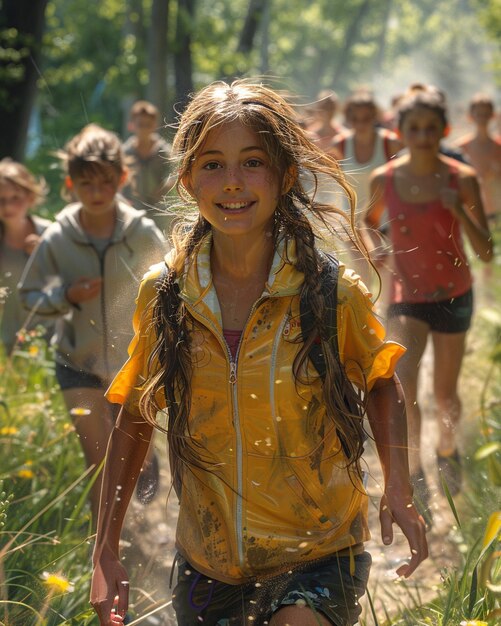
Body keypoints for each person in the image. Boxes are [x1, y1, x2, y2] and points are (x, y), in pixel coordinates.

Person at [90, 80, 428, 626]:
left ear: (285, 174)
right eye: (213, 165)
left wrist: (399, 485)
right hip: (209, 559)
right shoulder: (168, 296)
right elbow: (133, 414)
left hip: (318, 549)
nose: (233, 183)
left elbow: (381, 380)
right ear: (188, 179)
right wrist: (105, 545)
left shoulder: (327, 290)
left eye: (253, 162)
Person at [19, 124, 167, 521]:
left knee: (131, 458)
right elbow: (28, 296)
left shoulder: (141, 232)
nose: (97, 192)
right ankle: (107, 549)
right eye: (86, 184)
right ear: (71, 184)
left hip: (130, 365)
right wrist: (65, 295)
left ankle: (146, 456)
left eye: (105, 182)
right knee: (97, 462)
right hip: (76, 362)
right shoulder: (59, 237)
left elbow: (174, 287)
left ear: (122, 178)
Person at [364, 90, 493, 527]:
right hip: (406, 298)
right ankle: (414, 471)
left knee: (445, 394)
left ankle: (447, 449)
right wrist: (377, 251)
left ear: (445, 130)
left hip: (454, 294)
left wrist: (458, 208)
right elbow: (367, 223)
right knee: (405, 392)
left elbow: (487, 251)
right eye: (413, 128)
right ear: (400, 131)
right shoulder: (384, 178)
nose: (421, 136)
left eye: (430, 128)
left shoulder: (462, 178)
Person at [328, 91, 402, 293]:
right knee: (361, 275)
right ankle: (365, 320)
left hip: (384, 220)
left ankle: (387, 318)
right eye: (355, 118)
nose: (361, 124)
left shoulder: (390, 142)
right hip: (352, 219)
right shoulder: (340, 144)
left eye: (366, 118)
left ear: (375, 117)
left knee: (387, 273)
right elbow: (333, 181)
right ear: (348, 118)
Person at [0, 158, 52, 355]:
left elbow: (67, 279)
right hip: (9, 340)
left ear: (30, 197)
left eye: (15, 198)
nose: (8, 206)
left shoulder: (49, 233)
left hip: (49, 335)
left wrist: (43, 256)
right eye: (1, 199)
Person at [122, 99, 175, 235]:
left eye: (148, 124)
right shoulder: (125, 152)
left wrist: (164, 188)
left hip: (160, 210)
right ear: (132, 125)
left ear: (154, 125)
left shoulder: (163, 151)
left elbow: (175, 174)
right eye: (140, 124)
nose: (144, 129)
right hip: (133, 210)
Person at [454, 93, 501, 225]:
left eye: (486, 114)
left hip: (497, 212)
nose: (482, 118)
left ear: (492, 115)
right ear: (471, 116)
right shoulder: (461, 149)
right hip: (472, 212)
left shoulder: (498, 148)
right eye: (479, 114)